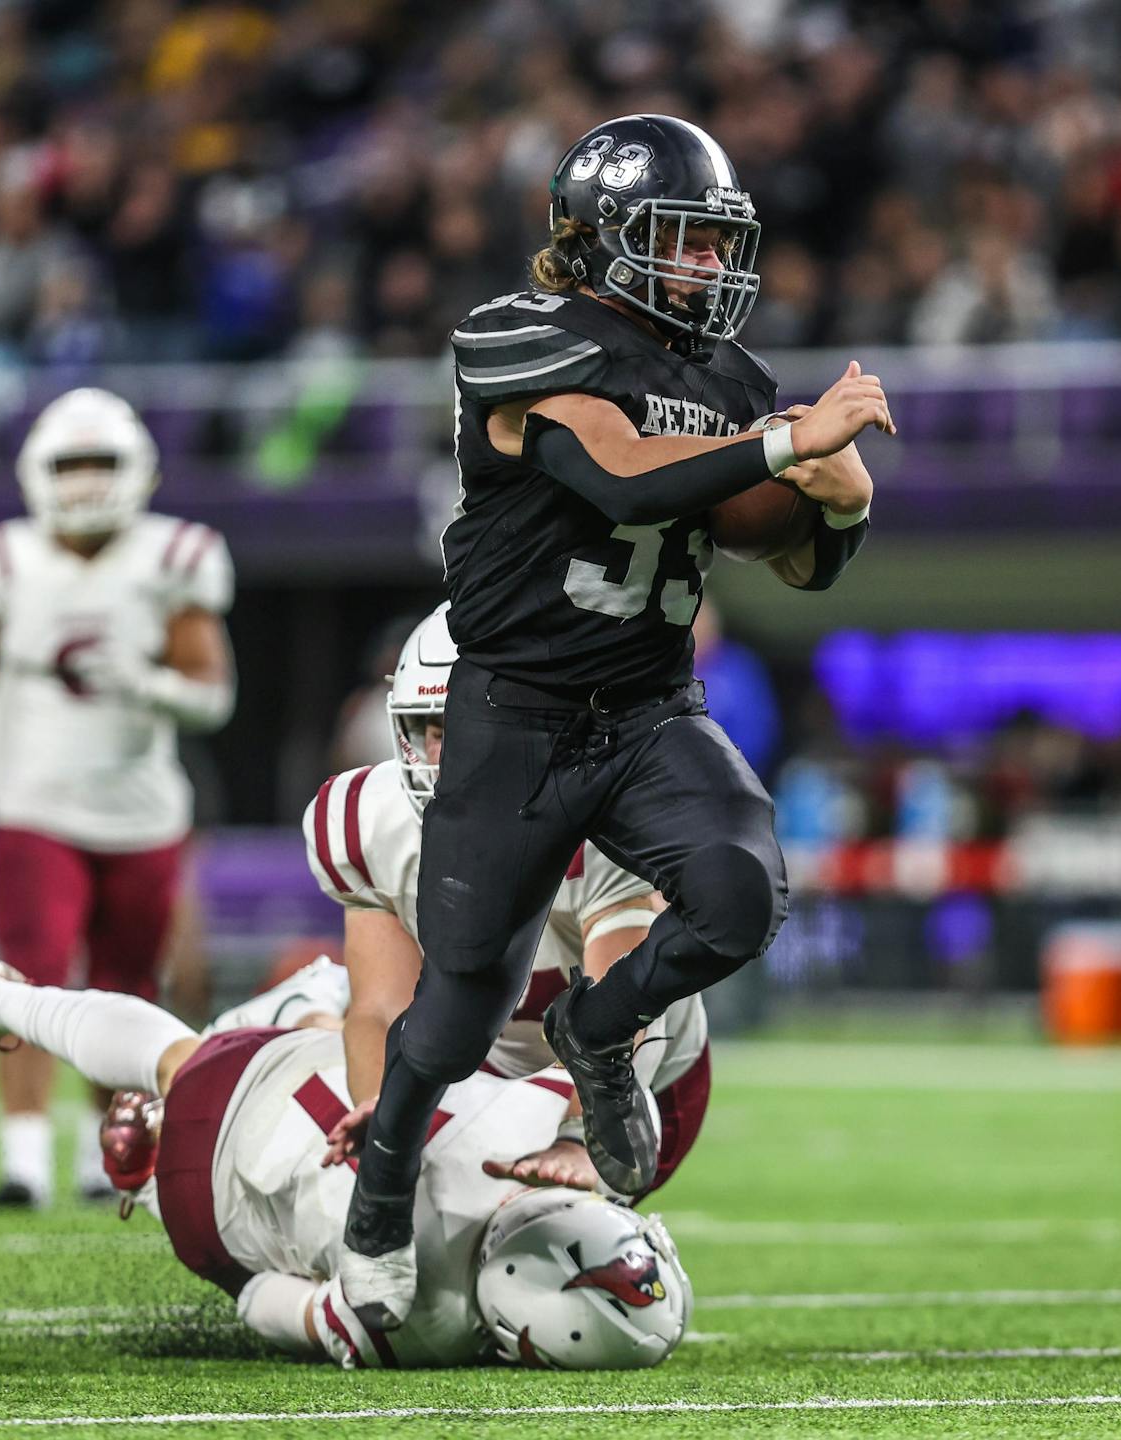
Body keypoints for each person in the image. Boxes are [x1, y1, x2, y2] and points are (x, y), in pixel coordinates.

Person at [340, 113, 891, 1329]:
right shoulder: (514, 337)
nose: (704, 267)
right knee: (461, 1004)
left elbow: (776, 554)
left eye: (714, 243)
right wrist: (794, 441)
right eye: (678, 240)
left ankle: (598, 1028)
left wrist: (834, 510)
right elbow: (621, 473)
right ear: (593, 240)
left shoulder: (730, 382)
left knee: (744, 893)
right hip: (516, 713)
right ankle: (379, 1185)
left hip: (649, 707)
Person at [0, 959, 692, 1370]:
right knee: (182, 1082)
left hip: (295, 1090)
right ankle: (143, 1167)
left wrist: (584, 1143)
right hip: (225, 1191)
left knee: (185, 1061)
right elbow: (257, 1299)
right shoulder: (422, 1335)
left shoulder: (529, 1119)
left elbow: (619, 1098)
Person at [0, 388, 235, 1208]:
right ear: (35, 473)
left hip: (143, 810)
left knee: (127, 984)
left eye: (102, 464)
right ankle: (22, 1157)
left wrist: (151, 685)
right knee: (29, 976)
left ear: (140, 472)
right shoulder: (0, 559)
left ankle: (103, 1153)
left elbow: (214, 694)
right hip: (37, 805)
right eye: (71, 465)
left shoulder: (172, 555)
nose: (87, 483)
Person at [288, 604, 711, 1198]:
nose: (444, 761)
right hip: (476, 1070)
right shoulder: (368, 819)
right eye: (433, 732)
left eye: (467, 731)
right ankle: (294, 1009)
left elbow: (620, 1017)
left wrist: (573, 1136)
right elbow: (381, 1011)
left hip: (641, 1072)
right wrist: (384, 1125)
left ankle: (304, 1003)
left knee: (541, 1250)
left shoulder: (606, 821)